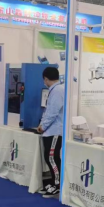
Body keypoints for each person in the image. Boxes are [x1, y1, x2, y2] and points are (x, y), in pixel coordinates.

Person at [37, 67, 65, 199]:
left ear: (46, 79)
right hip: (50, 130)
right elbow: (48, 111)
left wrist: (43, 126)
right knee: (50, 157)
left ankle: (57, 185)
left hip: (55, 131)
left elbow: (53, 112)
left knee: (52, 158)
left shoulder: (57, 90)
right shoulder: (55, 90)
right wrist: (42, 125)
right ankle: (54, 183)